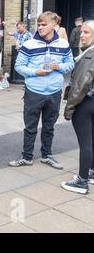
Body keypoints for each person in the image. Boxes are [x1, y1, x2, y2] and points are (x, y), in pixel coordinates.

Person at [9, 11, 74, 169]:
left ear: (54, 25)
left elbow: (71, 64)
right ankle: (27, 156)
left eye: (44, 24)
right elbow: (19, 66)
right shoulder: (29, 44)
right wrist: (35, 72)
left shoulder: (63, 44)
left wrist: (59, 66)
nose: (40, 27)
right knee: (30, 127)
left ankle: (47, 155)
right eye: (39, 24)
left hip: (54, 92)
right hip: (34, 92)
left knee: (49, 127)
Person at [61, 20, 94, 194]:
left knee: (86, 143)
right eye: (82, 32)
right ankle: (91, 173)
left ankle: (82, 182)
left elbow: (81, 85)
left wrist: (70, 108)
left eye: (87, 32)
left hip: (85, 104)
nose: (82, 36)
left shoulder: (90, 55)